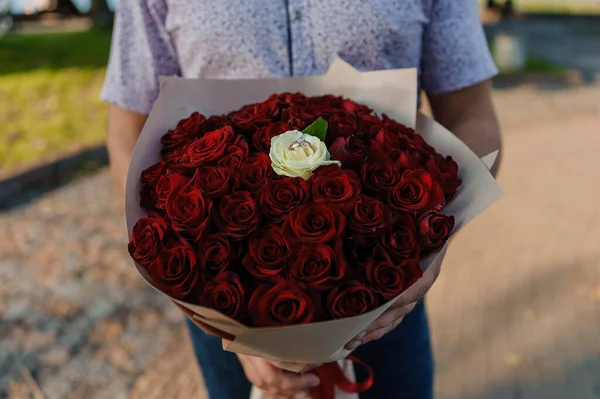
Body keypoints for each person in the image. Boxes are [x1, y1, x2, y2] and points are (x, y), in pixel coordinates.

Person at [101, 1, 501, 398]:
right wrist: (196, 294)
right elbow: (128, 132)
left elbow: (472, 116)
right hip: (221, 299)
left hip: (385, 300)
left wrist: (432, 242)